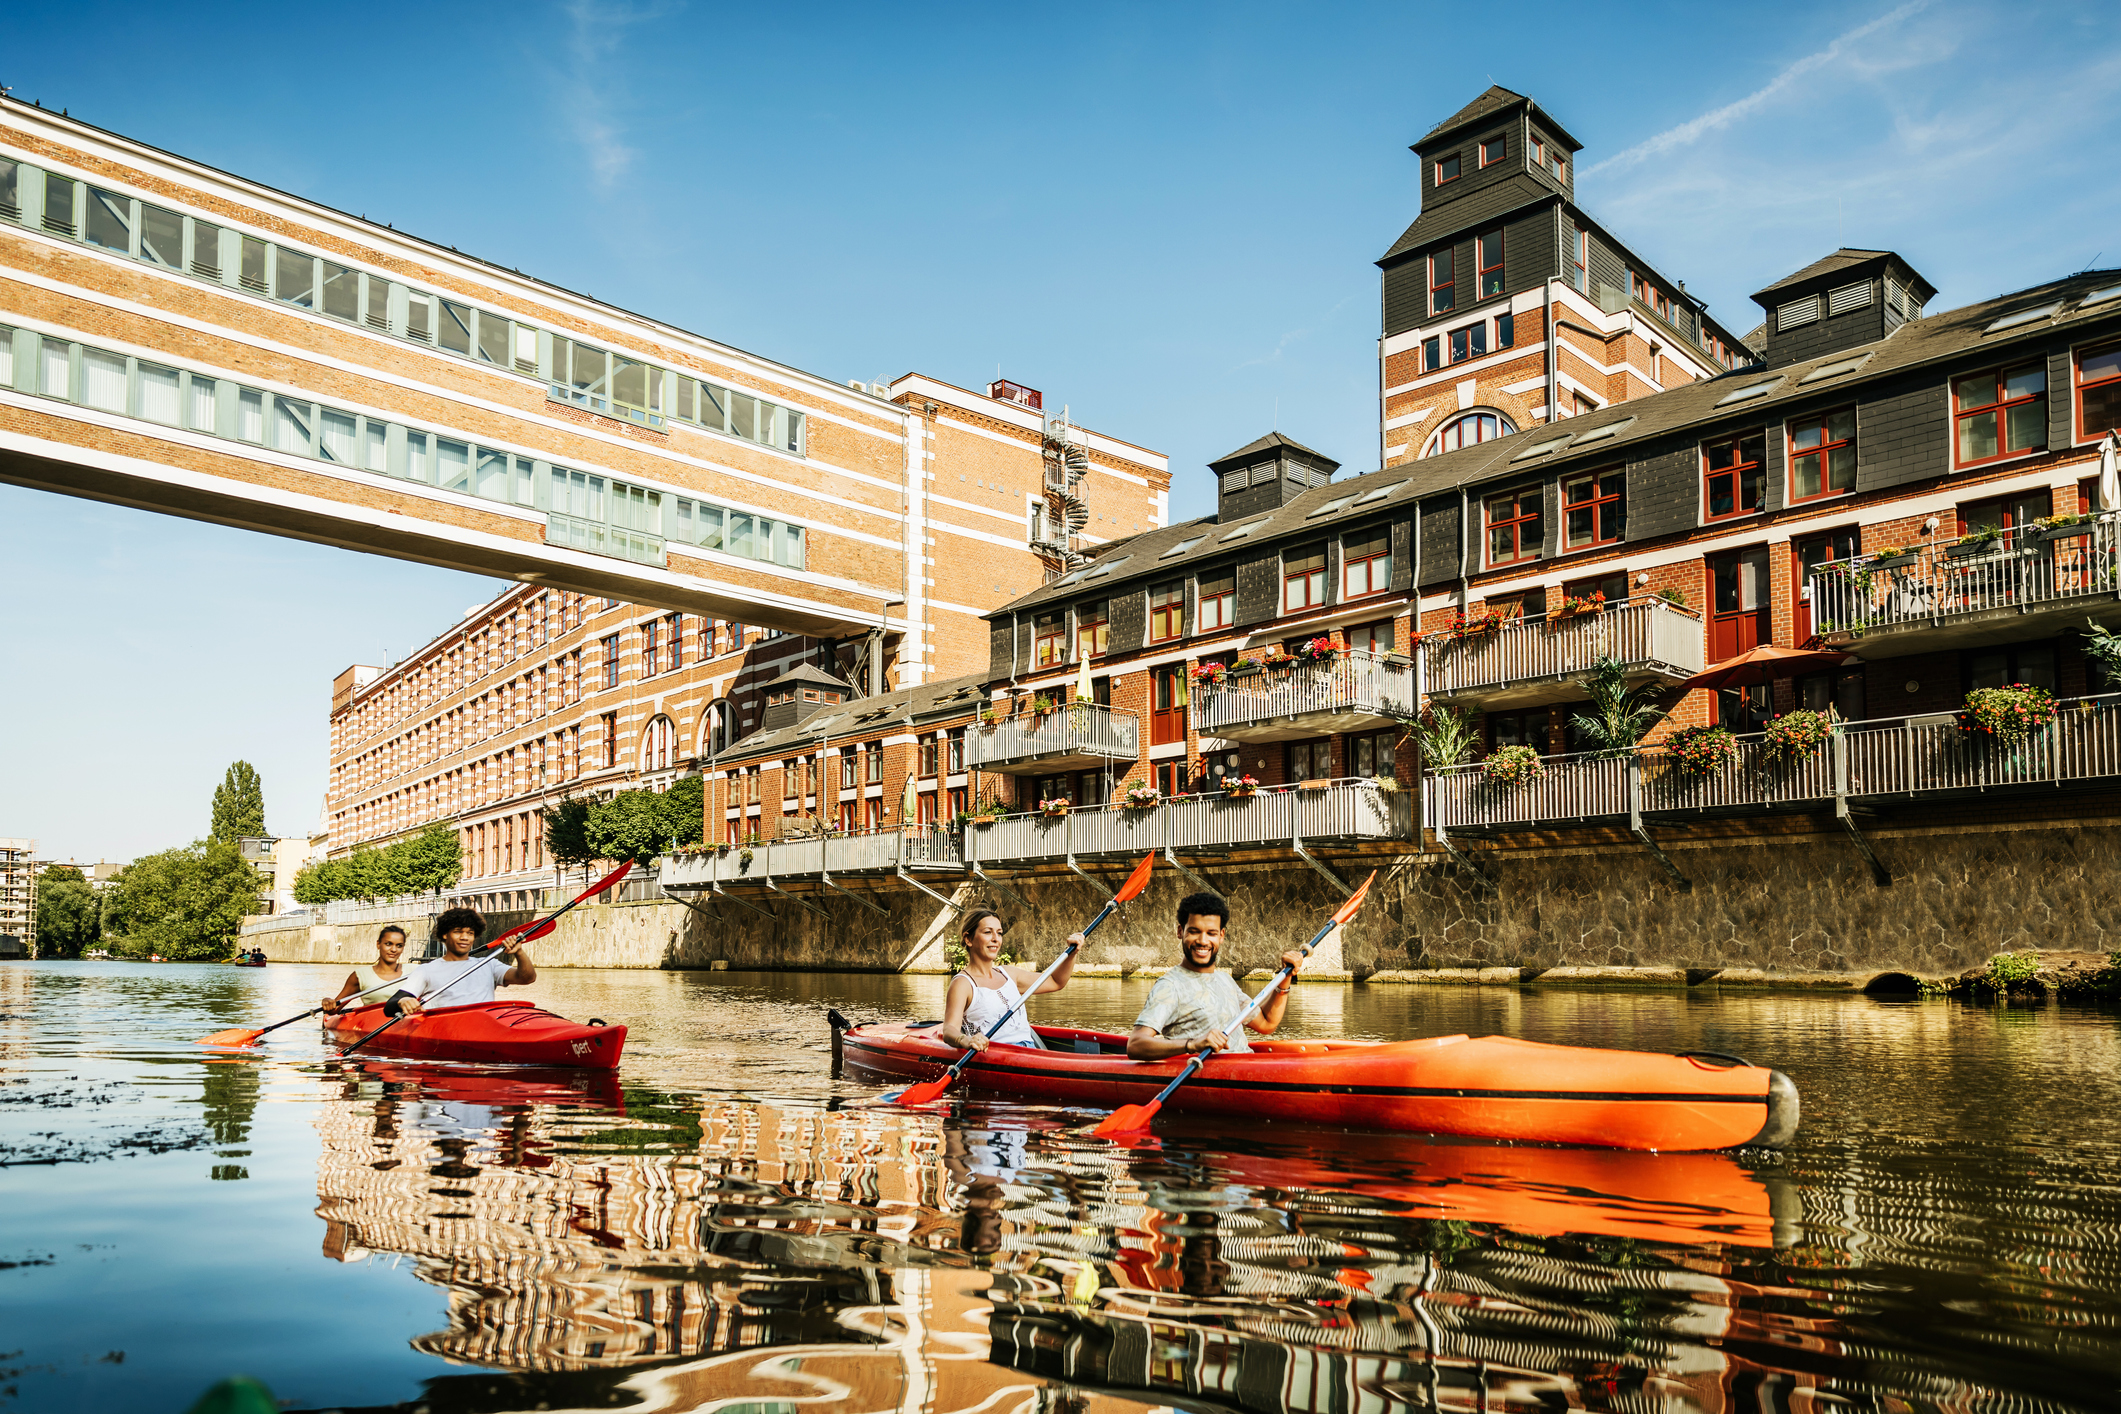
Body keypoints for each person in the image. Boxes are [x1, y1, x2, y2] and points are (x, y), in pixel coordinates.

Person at [1126, 890, 1308, 1060]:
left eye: (1211, 933)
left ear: (1221, 935)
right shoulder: (1171, 986)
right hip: (1208, 1075)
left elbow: (1267, 1024)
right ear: (1180, 932)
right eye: (1194, 932)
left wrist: (1286, 977)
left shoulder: (1225, 980)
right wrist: (1192, 1045)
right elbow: (1135, 1045)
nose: (1203, 941)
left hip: (1246, 1068)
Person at [938, 909, 1083, 1053]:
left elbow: (1056, 981)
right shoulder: (963, 984)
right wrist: (966, 1040)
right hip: (998, 1057)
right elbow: (949, 1029)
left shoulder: (1010, 974)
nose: (996, 938)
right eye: (988, 932)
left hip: (1030, 1053)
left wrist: (1072, 953)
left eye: (999, 933)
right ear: (968, 939)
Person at [397, 907, 535, 1016]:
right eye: (458, 932)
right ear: (445, 934)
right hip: (446, 1030)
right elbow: (392, 1003)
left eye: (470, 933)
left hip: (484, 1025)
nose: (465, 937)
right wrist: (404, 1001)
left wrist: (519, 952)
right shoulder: (426, 970)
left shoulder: (488, 964)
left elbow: (526, 978)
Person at [319, 926, 412, 1014]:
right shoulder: (360, 976)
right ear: (378, 944)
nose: (394, 949)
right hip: (374, 1024)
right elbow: (334, 1009)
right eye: (388, 944)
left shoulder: (415, 971)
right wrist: (328, 1002)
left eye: (399, 945)